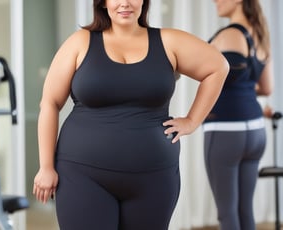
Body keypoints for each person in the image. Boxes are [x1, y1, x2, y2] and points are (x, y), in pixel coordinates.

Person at [33, 0, 228, 229]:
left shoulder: (168, 41)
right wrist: (46, 167)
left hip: (154, 177)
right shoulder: (81, 42)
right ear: (103, 3)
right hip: (82, 175)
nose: (125, 3)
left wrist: (192, 121)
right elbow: (49, 103)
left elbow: (218, 67)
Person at [203, 0, 273, 229]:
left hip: (225, 131)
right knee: (244, 209)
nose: (216, 1)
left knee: (227, 213)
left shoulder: (229, 35)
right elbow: (266, 88)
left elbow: (210, 76)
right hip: (255, 130)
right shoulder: (261, 35)